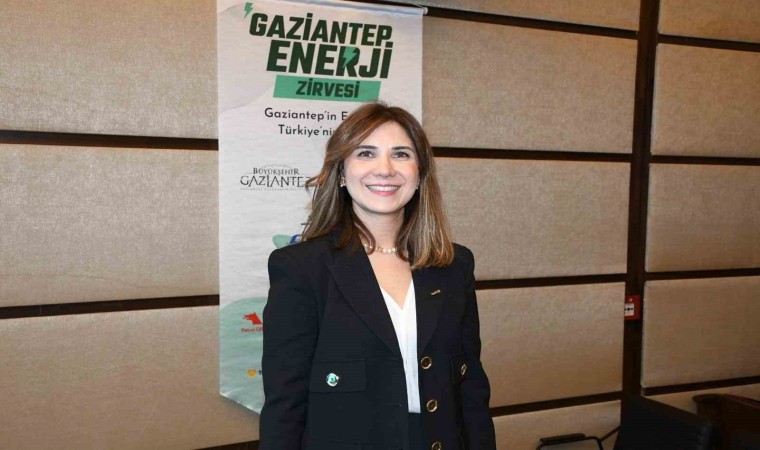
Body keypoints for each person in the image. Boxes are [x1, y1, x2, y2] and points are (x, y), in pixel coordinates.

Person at [260, 102, 496, 450]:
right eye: (366, 153)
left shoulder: (454, 264)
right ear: (341, 173)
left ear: (420, 174)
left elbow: (471, 388)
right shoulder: (300, 268)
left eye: (401, 154)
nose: (385, 169)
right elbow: (285, 405)